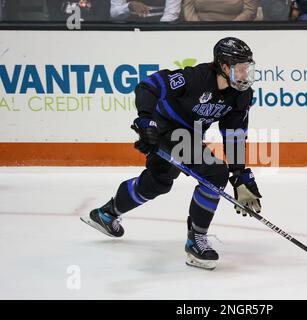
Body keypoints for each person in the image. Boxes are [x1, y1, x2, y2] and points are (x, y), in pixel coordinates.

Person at [81, 37, 262, 270]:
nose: (245, 73)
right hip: (165, 129)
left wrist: (239, 175)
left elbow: (234, 134)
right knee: (215, 173)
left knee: (156, 184)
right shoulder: (195, 78)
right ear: (224, 66)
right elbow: (148, 86)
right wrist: (146, 122)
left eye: (248, 67)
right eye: (240, 68)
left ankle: (106, 214)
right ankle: (196, 241)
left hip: (189, 136)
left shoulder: (241, 95)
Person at [182, 0, 257, 21]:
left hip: (236, 30)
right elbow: (188, 9)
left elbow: (250, 10)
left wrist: (232, 27)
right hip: (198, 30)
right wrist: (198, 27)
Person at [110, 0, 181, 22]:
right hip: (128, 28)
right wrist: (129, 6)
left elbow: (171, 14)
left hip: (162, 27)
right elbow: (114, 13)